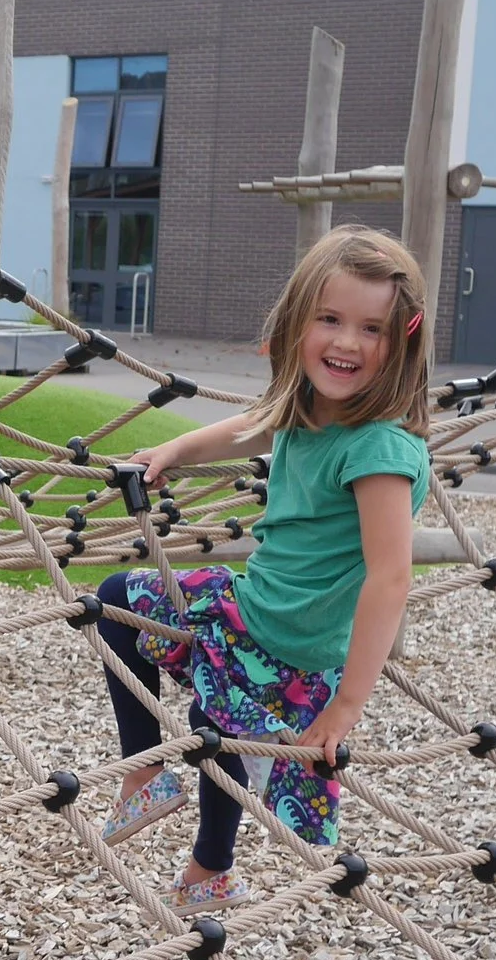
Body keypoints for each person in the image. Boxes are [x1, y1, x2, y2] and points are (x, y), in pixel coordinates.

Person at [93, 226, 433, 907]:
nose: (346, 343)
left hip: (298, 649)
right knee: (125, 618)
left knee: (223, 735)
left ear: (402, 342)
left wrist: (346, 706)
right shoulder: (310, 410)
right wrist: (174, 452)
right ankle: (170, 811)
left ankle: (188, 838)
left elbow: (390, 577)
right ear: (297, 322)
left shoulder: (379, 452)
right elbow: (253, 423)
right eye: (329, 320)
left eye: (371, 328)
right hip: (250, 611)